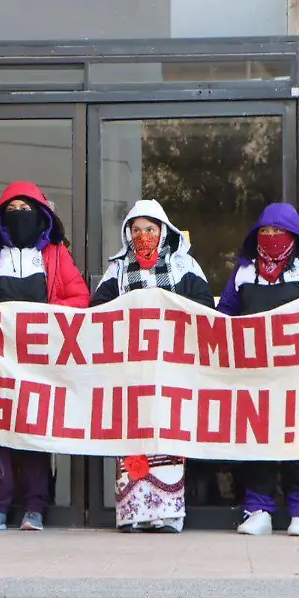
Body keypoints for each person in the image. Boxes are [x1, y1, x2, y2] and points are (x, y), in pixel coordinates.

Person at [0, 183, 89, 532]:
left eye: (26, 209)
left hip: (39, 360)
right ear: (1, 217)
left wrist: (45, 312)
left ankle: (35, 506)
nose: (20, 216)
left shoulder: (56, 255)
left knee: (35, 430)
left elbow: (80, 298)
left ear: (41, 215)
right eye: (12, 209)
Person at [216, 203, 299, 537]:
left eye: (279, 232)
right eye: (266, 232)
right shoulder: (244, 272)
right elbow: (225, 316)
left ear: (294, 235)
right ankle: (258, 510)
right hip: (256, 376)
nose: (272, 238)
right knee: (258, 442)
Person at [89, 200, 213, 533]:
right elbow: (97, 310)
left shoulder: (184, 265)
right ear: (128, 233)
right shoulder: (117, 269)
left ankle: (167, 515)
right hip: (130, 370)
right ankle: (133, 513)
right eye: (137, 230)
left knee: (169, 439)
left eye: (150, 229)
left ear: (163, 231)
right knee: (132, 439)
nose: (144, 236)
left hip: (172, 370)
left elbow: (204, 308)